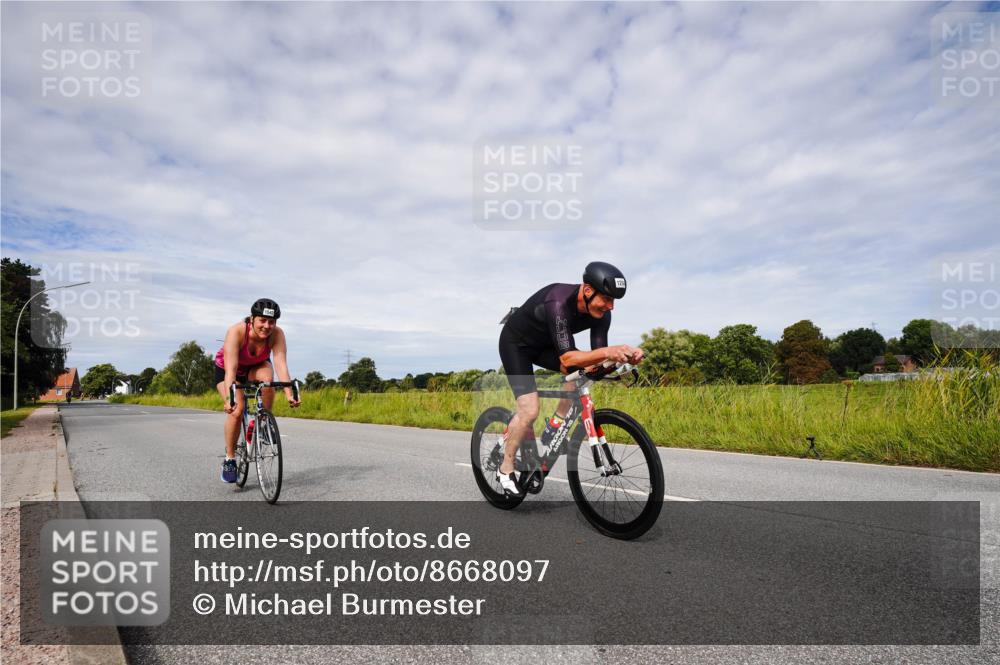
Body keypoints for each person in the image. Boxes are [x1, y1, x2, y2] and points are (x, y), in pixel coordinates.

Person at [496, 262, 644, 496]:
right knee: (529, 410)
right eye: (606, 299)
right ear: (587, 291)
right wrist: (609, 352)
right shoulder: (558, 301)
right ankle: (505, 469)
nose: (610, 306)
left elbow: (595, 364)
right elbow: (567, 358)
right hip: (517, 345)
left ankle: (554, 425)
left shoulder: (601, 314)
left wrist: (624, 359)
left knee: (580, 374)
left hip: (546, 345)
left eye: (614, 301)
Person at [215, 298, 300, 483]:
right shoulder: (236, 331)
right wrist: (230, 398)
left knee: (268, 382)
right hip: (229, 370)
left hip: (256, 366)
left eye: (271, 322)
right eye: (262, 320)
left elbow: (281, 365)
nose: (267, 326)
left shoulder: (277, 335)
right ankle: (230, 459)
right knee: (237, 410)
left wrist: (289, 395)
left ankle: (262, 422)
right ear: (252, 319)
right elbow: (230, 369)